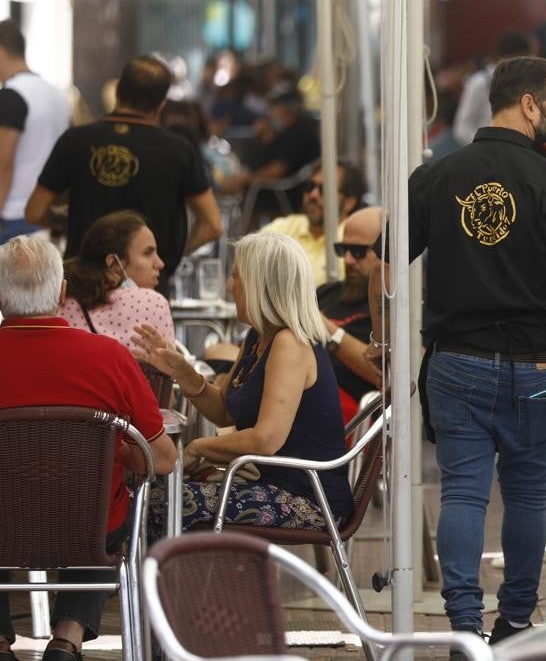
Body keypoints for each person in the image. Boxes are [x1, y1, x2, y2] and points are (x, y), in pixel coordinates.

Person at [366, 56, 546, 646]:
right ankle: (516, 621)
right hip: (539, 367)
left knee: (463, 493)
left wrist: (384, 342)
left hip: (456, 361)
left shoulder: (437, 176)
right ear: (529, 105)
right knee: (526, 496)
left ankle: (464, 626)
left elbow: (382, 270)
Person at [0, 235, 175, 661]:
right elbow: (164, 458)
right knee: (101, 497)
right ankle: (68, 634)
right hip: (89, 527)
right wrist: (106, 454)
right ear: (62, 293)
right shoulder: (110, 358)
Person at [137, 232, 353, 537]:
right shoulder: (259, 336)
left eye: (236, 276)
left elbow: (265, 440)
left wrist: (200, 447)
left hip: (306, 498)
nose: (229, 285)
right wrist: (181, 369)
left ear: (259, 284)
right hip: (271, 484)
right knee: (151, 494)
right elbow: (225, 412)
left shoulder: (290, 343)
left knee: (155, 501)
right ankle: (178, 583)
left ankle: (172, 584)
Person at [25, 55, 224, 289]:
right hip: (148, 291)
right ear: (161, 105)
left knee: (82, 328)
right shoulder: (178, 150)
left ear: (118, 89)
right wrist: (166, 260)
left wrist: (66, 222)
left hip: (84, 286)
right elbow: (212, 225)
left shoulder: (74, 141)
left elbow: (35, 212)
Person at [59, 210, 174, 356]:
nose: (160, 263)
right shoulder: (155, 302)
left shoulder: (60, 302)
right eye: (147, 253)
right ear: (114, 263)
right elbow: (172, 371)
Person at [0, 20, 71, 244]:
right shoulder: (58, 95)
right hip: (46, 213)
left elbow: (3, 162)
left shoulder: (11, 95)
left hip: (12, 214)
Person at [319, 206, 384, 422]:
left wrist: (328, 331)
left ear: (387, 251)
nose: (347, 260)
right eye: (343, 249)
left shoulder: (399, 310)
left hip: (346, 415)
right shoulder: (327, 292)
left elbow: (384, 374)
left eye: (357, 252)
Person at [261, 160, 367, 287]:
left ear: (349, 202)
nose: (313, 195)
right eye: (310, 186)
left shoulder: (352, 245)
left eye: (324, 189)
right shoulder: (283, 226)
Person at [223, 89, 321, 195]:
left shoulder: (298, 134)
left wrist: (245, 179)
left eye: (276, 108)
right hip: (274, 187)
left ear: (288, 110)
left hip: (281, 192)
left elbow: (278, 169)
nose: (274, 113)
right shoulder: (289, 131)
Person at [453, 30, 534, 147]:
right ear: (502, 57)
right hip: (484, 152)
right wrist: (485, 147)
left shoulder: (528, 83)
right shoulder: (479, 83)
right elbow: (462, 127)